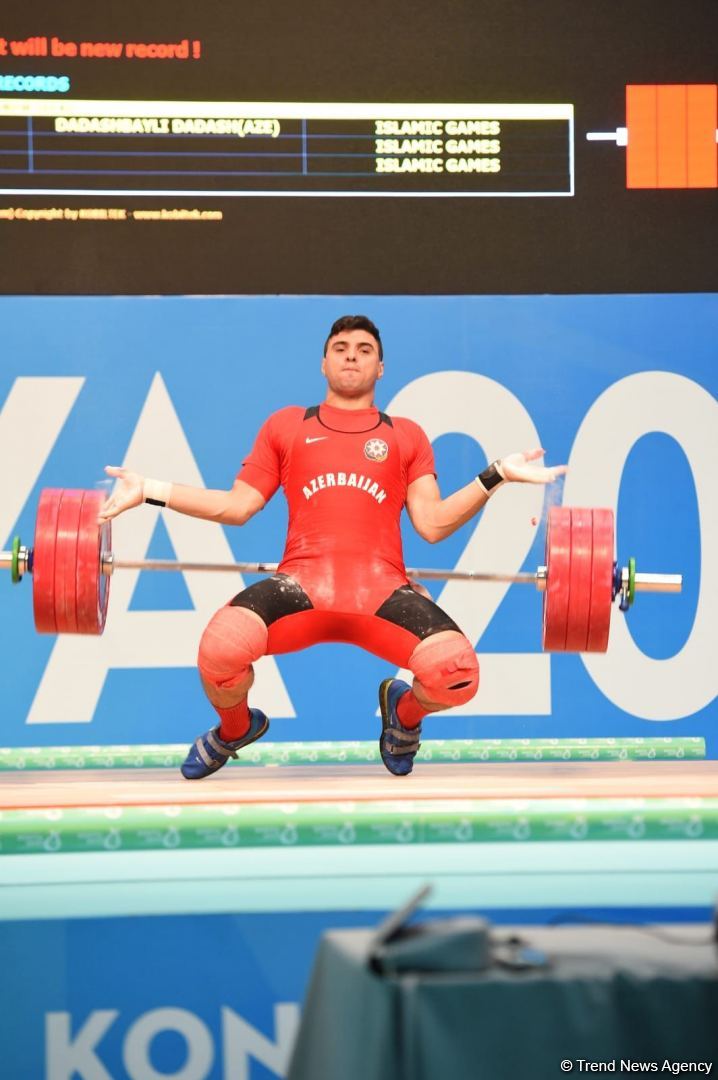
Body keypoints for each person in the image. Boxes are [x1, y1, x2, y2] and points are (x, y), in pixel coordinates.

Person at [99, 315, 566, 779]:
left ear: (381, 368)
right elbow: (236, 506)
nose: (351, 356)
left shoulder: (406, 436)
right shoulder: (287, 426)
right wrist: (148, 490)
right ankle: (235, 728)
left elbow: (434, 523)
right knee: (221, 648)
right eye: (340, 347)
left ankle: (403, 715)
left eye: (365, 350)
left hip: (383, 594)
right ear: (323, 362)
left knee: (458, 676)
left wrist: (497, 474)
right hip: (299, 589)